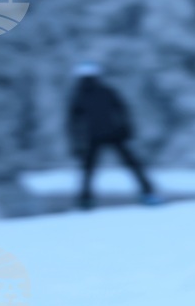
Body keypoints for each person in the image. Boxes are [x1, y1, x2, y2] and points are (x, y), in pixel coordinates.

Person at [66, 62, 162, 210]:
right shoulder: (101, 91)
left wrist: (77, 143)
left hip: (101, 136)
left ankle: (85, 200)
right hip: (110, 134)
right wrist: (127, 129)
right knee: (130, 165)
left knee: (90, 169)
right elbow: (123, 111)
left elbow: (73, 124)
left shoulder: (82, 95)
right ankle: (148, 193)